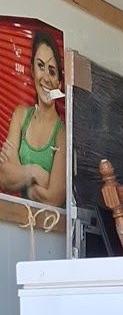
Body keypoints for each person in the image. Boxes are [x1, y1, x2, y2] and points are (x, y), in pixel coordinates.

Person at [0, 29, 67, 207]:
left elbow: (54, 198)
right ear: (31, 70)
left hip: (49, 230)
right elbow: (3, 177)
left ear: (59, 83)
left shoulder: (62, 134)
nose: (45, 77)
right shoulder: (21, 115)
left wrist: (20, 176)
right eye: (40, 66)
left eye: (52, 71)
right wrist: (35, 172)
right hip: (16, 222)